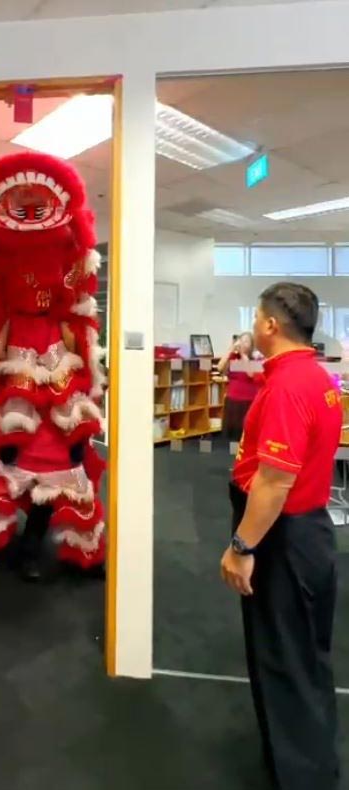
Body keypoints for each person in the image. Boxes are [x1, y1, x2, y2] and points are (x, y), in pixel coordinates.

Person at [0, 151, 106, 580]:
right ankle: (1, 538)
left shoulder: (67, 267)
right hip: (15, 345)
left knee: (63, 450)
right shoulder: (2, 263)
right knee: (7, 448)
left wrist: (78, 224)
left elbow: (81, 267)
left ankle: (35, 542)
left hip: (56, 347)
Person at [220, 282, 342, 790]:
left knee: (284, 658)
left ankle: (305, 776)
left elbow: (274, 481)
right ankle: (308, 762)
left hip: (282, 535)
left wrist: (241, 547)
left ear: (271, 325)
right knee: (302, 655)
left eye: (256, 319)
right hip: (309, 530)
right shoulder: (316, 376)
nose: (252, 327)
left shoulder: (289, 387)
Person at [217, 331, 262, 442]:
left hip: (248, 402)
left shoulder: (256, 359)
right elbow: (220, 368)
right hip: (232, 400)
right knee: (232, 438)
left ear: (252, 345)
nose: (242, 343)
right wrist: (230, 349)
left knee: (247, 437)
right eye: (241, 340)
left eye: (246, 341)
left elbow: (251, 373)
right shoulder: (233, 357)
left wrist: (243, 355)